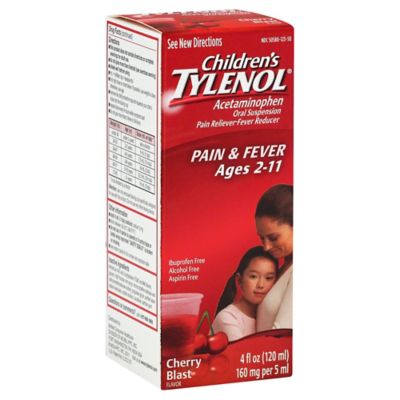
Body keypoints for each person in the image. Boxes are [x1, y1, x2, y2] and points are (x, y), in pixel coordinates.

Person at [212, 246, 278, 342]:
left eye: (268, 278)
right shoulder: (228, 318)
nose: (260, 285)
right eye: (253, 276)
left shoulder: (273, 317)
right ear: (239, 280)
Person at [255, 184, 293, 331]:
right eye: (261, 238)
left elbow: (281, 334)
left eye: (273, 238)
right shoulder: (282, 268)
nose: (266, 247)